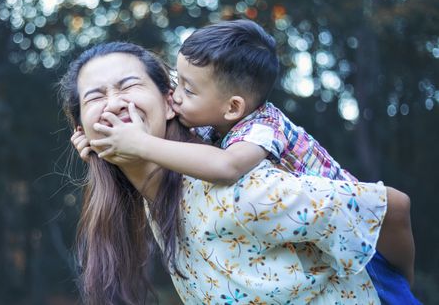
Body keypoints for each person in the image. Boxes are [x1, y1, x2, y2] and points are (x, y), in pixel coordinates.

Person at [62, 42, 416, 304]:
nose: (114, 103)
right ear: (81, 129)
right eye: (95, 97)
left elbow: (391, 207)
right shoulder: (153, 199)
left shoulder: (237, 190)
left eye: (129, 86)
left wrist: (400, 290)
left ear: (170, 102)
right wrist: (104, 157)